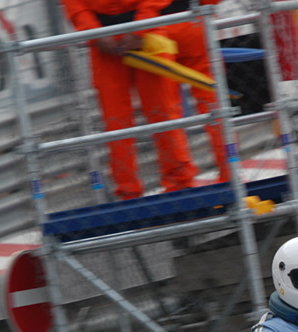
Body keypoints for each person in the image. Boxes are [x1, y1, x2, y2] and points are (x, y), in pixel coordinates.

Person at [61, 0, 198, 201]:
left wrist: (140, 27)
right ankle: (128, 192)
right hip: (105, 39)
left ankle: (180, 184)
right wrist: (94, 32)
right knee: (116, 122)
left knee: (163, 113)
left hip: (146, 33)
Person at [159, 0, 230, 183]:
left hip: (156, 30)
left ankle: (180, 180)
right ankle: (228, 169)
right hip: (192, 21)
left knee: (166, 110)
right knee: (213, 104)